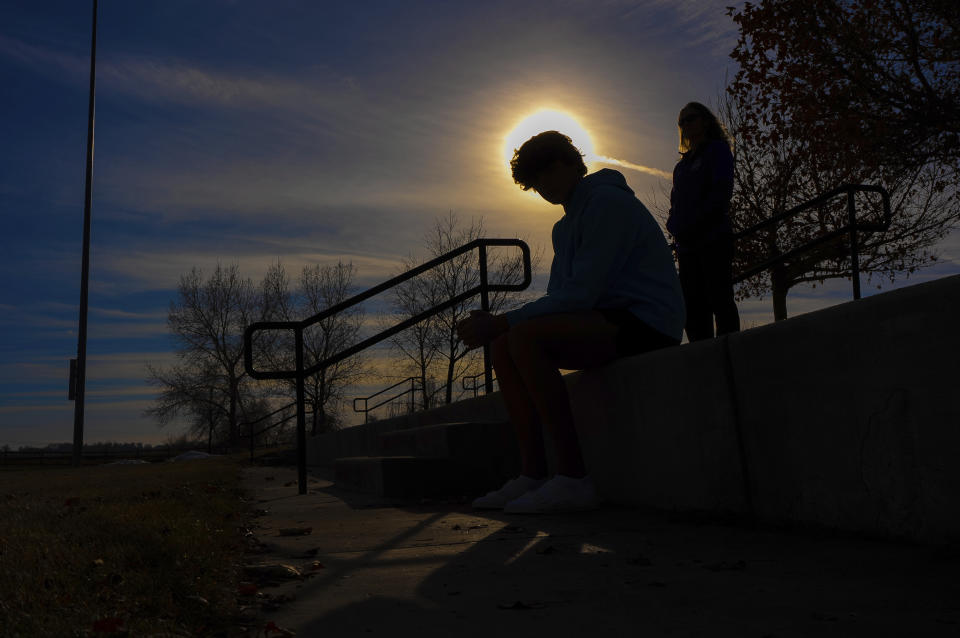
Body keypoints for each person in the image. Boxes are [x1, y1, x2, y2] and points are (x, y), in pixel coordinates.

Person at [456, 130, 685, 514]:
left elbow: (580, 296)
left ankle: (575, 478)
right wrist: (502, 324)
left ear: (571, 163)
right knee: (504, 343)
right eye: (534, 182)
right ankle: (532, 474)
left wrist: (504, 320)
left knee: (523, 338)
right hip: (603, 320)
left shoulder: (608, 203)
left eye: (547, 173)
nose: (543, 186)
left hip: (647, 322)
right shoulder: (564, 227)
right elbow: (560, 300)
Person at [667, 102, 740, 341]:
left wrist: (696, 224)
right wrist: (674, 226)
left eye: (690, 118)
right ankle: (704, 357)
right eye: (682, 122)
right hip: (687, 247)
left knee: (720, 300)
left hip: (713, 239)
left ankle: (731, 355)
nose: (686, 124)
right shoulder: (681, 167)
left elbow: (721, 193)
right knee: (692, 308)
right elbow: (675, 204)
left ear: (705, 120)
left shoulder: (717, 150)